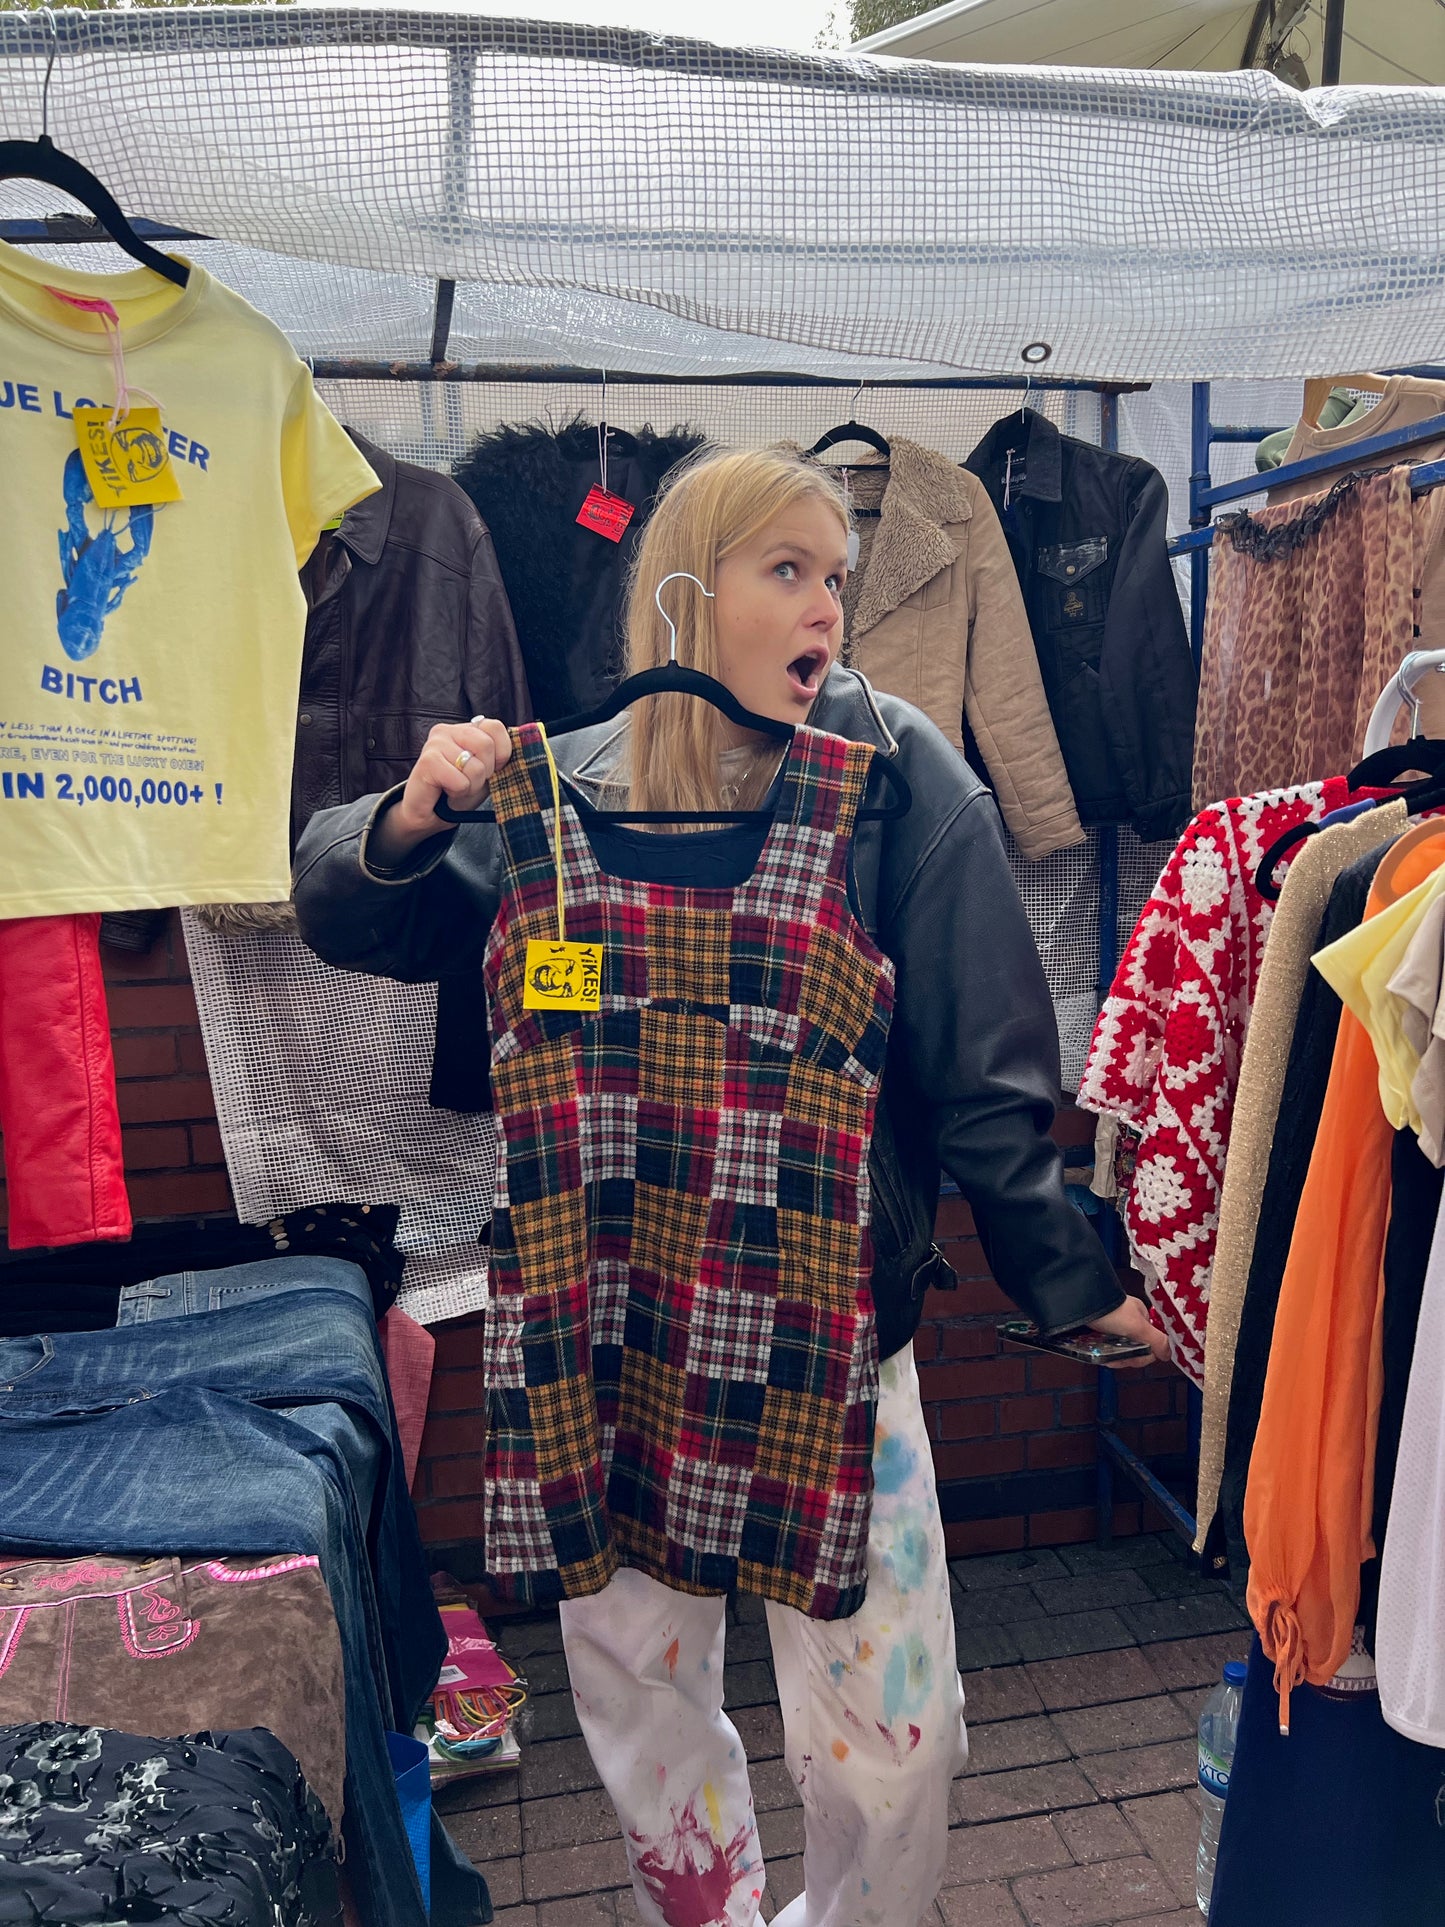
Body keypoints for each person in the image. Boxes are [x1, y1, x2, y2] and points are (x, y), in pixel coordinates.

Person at [293, 446, 1166, 1927]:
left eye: (836, 576)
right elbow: (340, 904)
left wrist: (1072, 1283)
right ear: (687, 593)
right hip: (600, 1338)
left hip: (833, 1342)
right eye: (788, 570)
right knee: (642, 1708)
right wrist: (412, 810)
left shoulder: (898, 779)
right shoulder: (552, 796)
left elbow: (988, 1070)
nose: (826, 605)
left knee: (894, 1740)